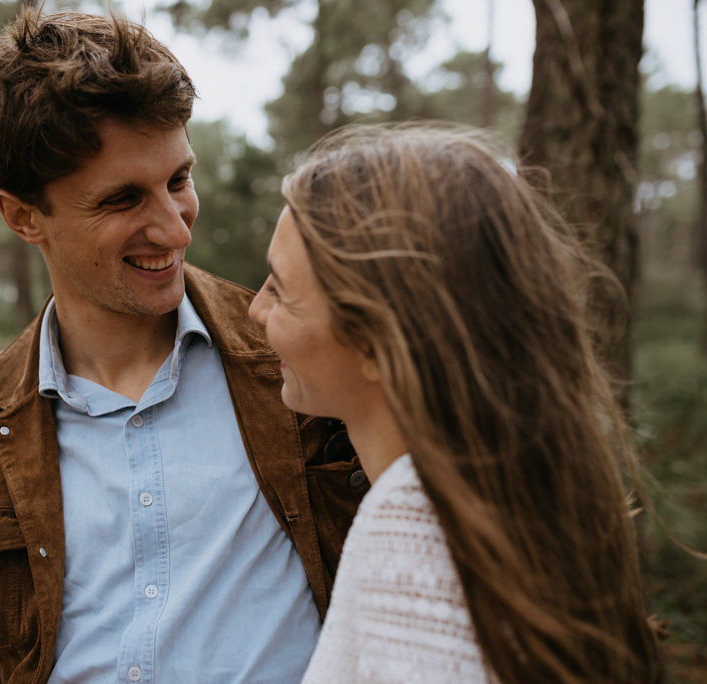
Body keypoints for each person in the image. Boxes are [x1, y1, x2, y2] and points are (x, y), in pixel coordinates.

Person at [0, 8, 367, 684]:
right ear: (22, 216)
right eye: (123, 200)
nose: (175, 228)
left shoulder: (299, 355)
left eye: (179, 181)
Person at [249, 123, 664, 683]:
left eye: (280, 288)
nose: (255, 310)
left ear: (378, 339)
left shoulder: (413, 523)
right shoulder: (507, 498)